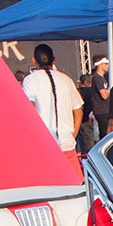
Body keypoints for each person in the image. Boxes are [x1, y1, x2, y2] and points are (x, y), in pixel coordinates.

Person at [21, 43, 85, 178]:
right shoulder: (66, 79)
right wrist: (72, 135)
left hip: (43, 146)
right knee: (75, 189)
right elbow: (78, 112)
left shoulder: (30, 81)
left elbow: (28, 110)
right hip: (67, 144)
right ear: (54, 60)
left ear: (34, 60)